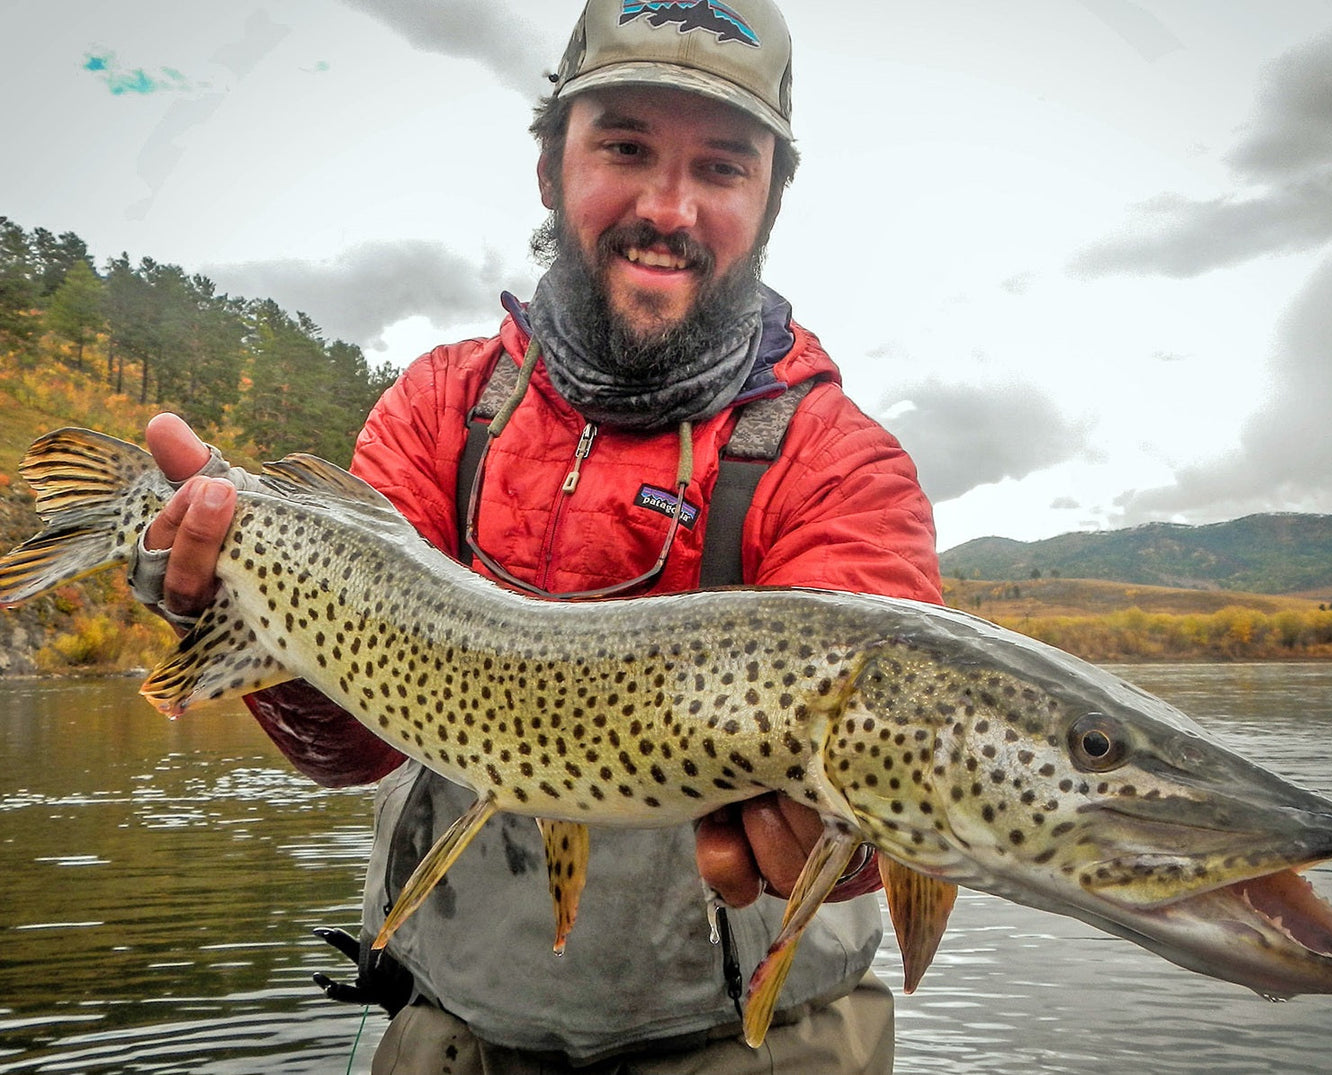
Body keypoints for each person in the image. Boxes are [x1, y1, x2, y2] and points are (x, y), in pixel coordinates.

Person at [134, 1, 942, 1071]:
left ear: (770, 198)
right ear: (548, 167)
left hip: (756, 1045)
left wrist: (843, 851)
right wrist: (257, 624)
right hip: (458, 1032)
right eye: (623, 147)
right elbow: (353, 747)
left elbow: (891, 777)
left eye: (722, 168)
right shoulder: (438, 407)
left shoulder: (841, 462)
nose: (668, 207)